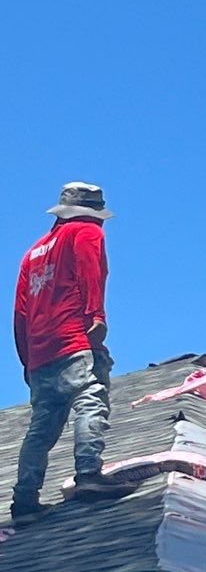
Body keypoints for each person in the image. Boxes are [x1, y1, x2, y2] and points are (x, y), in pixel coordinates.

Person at [11, 181, 123, 523]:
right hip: (74, 337)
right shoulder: (86, 232)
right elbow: (91, 273)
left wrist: (27, 360)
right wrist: (97, 315)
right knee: (90, 398)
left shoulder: (33, 253)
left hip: (40, 353)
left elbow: (20, 311)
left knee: (42, 426)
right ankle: (88, 474)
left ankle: (24, 499)